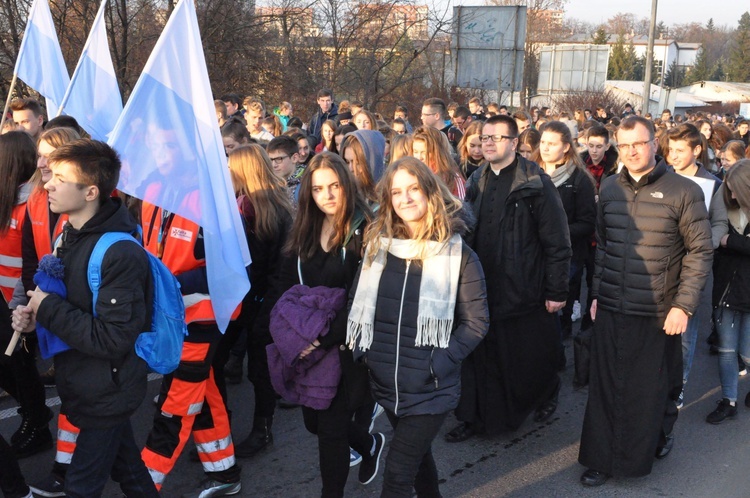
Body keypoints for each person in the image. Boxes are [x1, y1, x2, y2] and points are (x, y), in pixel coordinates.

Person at [11, 139, 158, 497]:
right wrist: (34, 320)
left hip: (107, 389)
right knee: (131, 474)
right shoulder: (69, 235)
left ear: (91, 191)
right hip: (85, 382)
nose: (47, 183)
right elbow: (72, 309)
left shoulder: (120, 252)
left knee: (80, 486)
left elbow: (112, 338)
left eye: (60, 177)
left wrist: (48, 308)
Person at [578, 116, 713, 487]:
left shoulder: (684, 191)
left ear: (656, 144)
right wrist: (596, 294)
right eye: (624, 145)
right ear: (616, 148)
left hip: (658, 310)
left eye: (639, 143)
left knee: (650, 389)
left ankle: (653, 442)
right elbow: (603, 247)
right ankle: (600, 459)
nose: (632, 151)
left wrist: (683, 306)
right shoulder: (608, 189)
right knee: (605, 387)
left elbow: (700, 252)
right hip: (611, 305)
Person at [347, 157, 489, 497]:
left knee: (397, 476)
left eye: (413, 189)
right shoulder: (378, 248)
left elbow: (477, 323)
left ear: (430, 193)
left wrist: (434, 366)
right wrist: (367, 356)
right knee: (419, 463)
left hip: (429, 390)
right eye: (396, 192)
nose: (405, 199)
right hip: (385, 383)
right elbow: (357, 303)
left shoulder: (459, 255)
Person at [447, 115, 571, 442]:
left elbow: (557, 242)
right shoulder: (476, 179)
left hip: (522, 287)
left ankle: (543, 395)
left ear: (514, 143)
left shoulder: (536, 183)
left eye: (496, 137)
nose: (488, 143)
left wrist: (556, 289)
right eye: (484, 137)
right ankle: (472, 417)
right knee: (479, 356)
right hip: (481, 285)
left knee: (524, 356)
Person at [139, 125, 241, 496]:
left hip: (202, 315)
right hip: (167, 315)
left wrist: (171, 286)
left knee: (176, 400)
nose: (160, 152)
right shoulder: (149, 191)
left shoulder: (211, 198)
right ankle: (225, 471)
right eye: (155, 144)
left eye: (168, 143)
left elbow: (229, 269)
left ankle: (146, 482)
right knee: (203, 388)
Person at [274, 152, 381, 497]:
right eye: (318, 189)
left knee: (331, 430)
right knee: (314, 423)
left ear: (346, 184)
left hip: (345, 347)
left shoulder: (365, 229)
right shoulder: (303, 228)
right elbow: (287, 291)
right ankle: (368, 444)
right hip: (309, 347)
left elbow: (362, 300)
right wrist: (289, 339)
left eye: (334, 186)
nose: (328, 195)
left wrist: (320, 341)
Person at [225, 145, 294, 457]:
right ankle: (218, 427)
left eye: (231, 169)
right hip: (243, 302)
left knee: (261, 372)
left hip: (265, 303)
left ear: (244, 172)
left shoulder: (271, 211)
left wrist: (266, 313)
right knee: (224, 363)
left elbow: (280, 270)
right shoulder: (242, 207)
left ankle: (262, 430)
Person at [0, 132, 52, 460]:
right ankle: (33, 412)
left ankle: (37, 422)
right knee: (9, 367)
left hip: (17, 301)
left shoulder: (32, 201)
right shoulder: (7, 198)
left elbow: (29, 259)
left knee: (18, 365)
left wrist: (20, 304)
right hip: (2, 296)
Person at [666, 123, 722, 408]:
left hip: (693, 266)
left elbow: (719, 223)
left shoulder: (713, 184)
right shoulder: (661, 177)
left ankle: (680, 385)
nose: (672, 156)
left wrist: (701, 242)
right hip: (660, 265)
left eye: (679, 150)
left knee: (685, 333)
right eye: (670, 149)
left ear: (697, 150)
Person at [532, 121, 596, 341]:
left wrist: (557, 232)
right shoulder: (529, 172)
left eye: (552, 143)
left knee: (557, 308)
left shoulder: (579, 179)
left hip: (568, 255)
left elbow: (588, 223)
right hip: (532, 252)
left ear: (566, 146)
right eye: (543, 142)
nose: (545, 148)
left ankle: (557, 350)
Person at [706, 160, 750, 423]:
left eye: (735, 190)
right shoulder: (724, 201)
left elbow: (724, 240)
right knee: (725, 350)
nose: (731, 195)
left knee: (746, 352)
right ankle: (728, 400)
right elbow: (715, 235)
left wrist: (729, 241)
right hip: (726, 289)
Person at [411, 125, 466, 199]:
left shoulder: (451, 176)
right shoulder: (411, 174)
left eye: (424, 152)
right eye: (416, 152)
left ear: (435, 152)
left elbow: (461, 206)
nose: (419, 157)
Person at [340, 130, 386, 205]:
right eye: (347, 162)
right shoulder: (343, 198)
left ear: (372, 161)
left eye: (357, 163)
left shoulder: (387, 203)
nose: (350, 168)